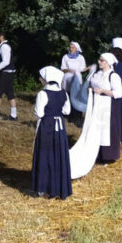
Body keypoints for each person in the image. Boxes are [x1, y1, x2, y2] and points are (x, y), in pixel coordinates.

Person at [69, 53, 122, 178]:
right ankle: (97, 154)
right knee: (96, 128)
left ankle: (109, 156)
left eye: (102, 60)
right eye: (99, 60)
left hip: (108, 106)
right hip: (97, 104)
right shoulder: (97, 74)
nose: (99, 62)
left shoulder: (113, 76)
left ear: (108, 62)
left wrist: (103, 91)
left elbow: (119, 93)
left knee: (107, 130)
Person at [32, 66, 72, 199]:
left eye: (41, 78)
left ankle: (43, 187)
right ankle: (59, 187)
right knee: (58, 155)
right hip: (60, 128)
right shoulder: (63, 93)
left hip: (47, 127)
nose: (40, 79)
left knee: (45, 155)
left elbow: (39, 113)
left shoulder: (42, 94)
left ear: (46, 79)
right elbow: (67, 111)